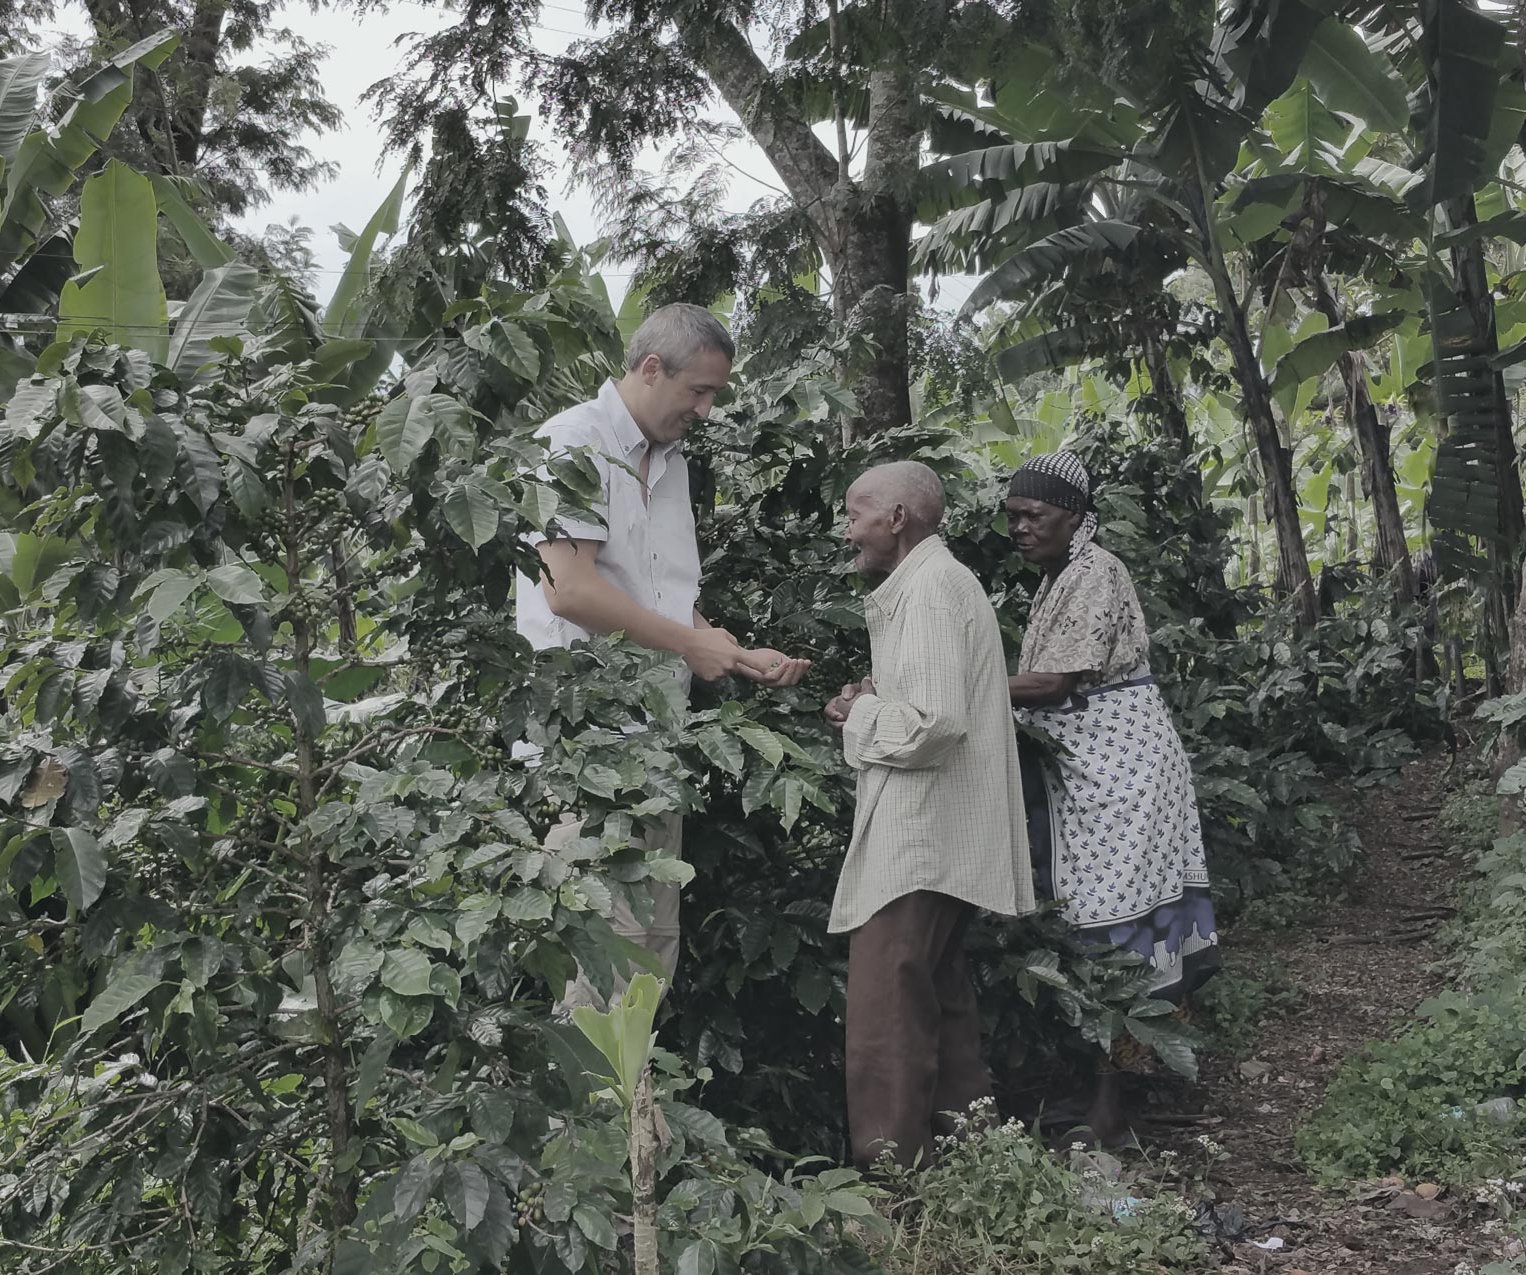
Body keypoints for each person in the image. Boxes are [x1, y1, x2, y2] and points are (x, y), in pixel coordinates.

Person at [517, 303, 810, 1011]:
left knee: (652, 949)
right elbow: (569, 589)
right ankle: (591, 1120)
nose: (706, 411)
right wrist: (689, 643)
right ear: (652, 369)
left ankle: (636, 1115)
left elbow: (660, 596)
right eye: (699, 391)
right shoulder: (571, 442)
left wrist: (733, 653)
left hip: (656, 742)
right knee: (599, 952)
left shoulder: (670, 462)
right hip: (586, 749)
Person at [1003, 450, 1220, 1144]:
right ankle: (1108, 1090)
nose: (1021, 528)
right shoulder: (1057, 576)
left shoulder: (1097, 572)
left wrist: (950, 684)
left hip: (1124, 772)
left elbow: (1060, 681)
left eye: (1034, 515)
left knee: (1121, 934)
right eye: (1013, 516)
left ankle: (1115, 1102)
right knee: (1098, 927)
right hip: (1090, 774)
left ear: (1074, 516)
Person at [823, 460, 1035, 1168]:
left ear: (897, 519)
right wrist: (872, 701)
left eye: (856, 512)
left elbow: (935, 723)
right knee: (937, 1002)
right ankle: (971, 1166)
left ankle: (887, 1188)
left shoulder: (934, 591)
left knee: (885, 1014)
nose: (846, 526)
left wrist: (861, 713)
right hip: (934, 835)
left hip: (919, 838)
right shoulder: (925, 585)